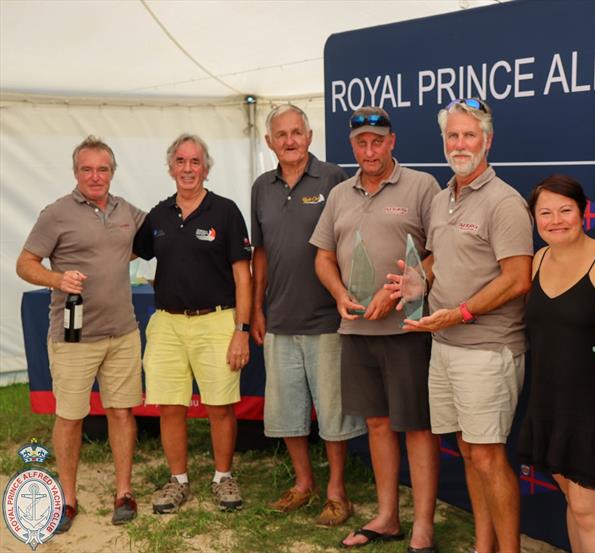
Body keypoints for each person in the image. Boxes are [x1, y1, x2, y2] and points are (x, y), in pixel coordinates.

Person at [388, 98, 533, 553]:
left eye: (469, 135)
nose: (460, 143)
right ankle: (482, 545)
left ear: (487, 141)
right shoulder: (440, 197)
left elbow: (518, 278)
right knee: (469, 453)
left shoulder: (504, 201)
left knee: (489, 457)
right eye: (453, 135)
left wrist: (463, 312)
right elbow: (438, 257)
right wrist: (417, 279)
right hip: (444, 342)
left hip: (488, 347)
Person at [310, 107, 441, 551]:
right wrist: (336, 292)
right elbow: (323, 256)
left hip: (406, 328)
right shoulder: (340, 194)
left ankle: (423, 524)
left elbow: (441, 252)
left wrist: (408, 285)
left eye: (377, 141)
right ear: (353, 146)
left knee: (418, 427)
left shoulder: (422, 186)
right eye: (361, 143)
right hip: (356, 331)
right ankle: (387, 517)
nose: (369, 150)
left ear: (392, 142)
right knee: (379, 425)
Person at [16, 136, 145, 530]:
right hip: (73, 336)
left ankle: (124, 492)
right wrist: (57, 278)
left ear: (112, 172)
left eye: (103, 169)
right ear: (76, 173)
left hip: (123, 331)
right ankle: (68, 500)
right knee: (70, 417)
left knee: (122, 412)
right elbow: (25, 263)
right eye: (87, 169)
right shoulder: (56, 213)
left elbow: (153, 238)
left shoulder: (127, 211)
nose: (96, 176)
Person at [250, 104, 366, 526]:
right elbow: (259, 254)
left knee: (333, 414)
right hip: (279, 319)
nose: (290, 140)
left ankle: (337, 492)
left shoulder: (334, 178)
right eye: (281, 135)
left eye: (296, 132)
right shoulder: (261, 186)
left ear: (310, 135)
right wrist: (257, 309)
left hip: (326, 319)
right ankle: (303, 484)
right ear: (269, 143)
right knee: (287, 411)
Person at [517, 175, 595, 553]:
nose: (556, 220)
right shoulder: (537, 260)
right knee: (574, 505)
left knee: (591, 511)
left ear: (584, 212)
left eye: (565, 210)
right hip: (551, 407)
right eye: (545, 212)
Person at [133, 134, 252, 513]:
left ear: (206, 167)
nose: (188, 169)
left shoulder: (226, 211)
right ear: (171, 168)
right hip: (167, 324)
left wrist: (241, 331)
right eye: (181, 161)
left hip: (216, 321)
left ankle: (222, 477)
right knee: (170, 406)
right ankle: (178, 481)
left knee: (220, 406)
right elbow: (128, 249)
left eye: (195, 162)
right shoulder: (159, 215)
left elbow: (243, 277)